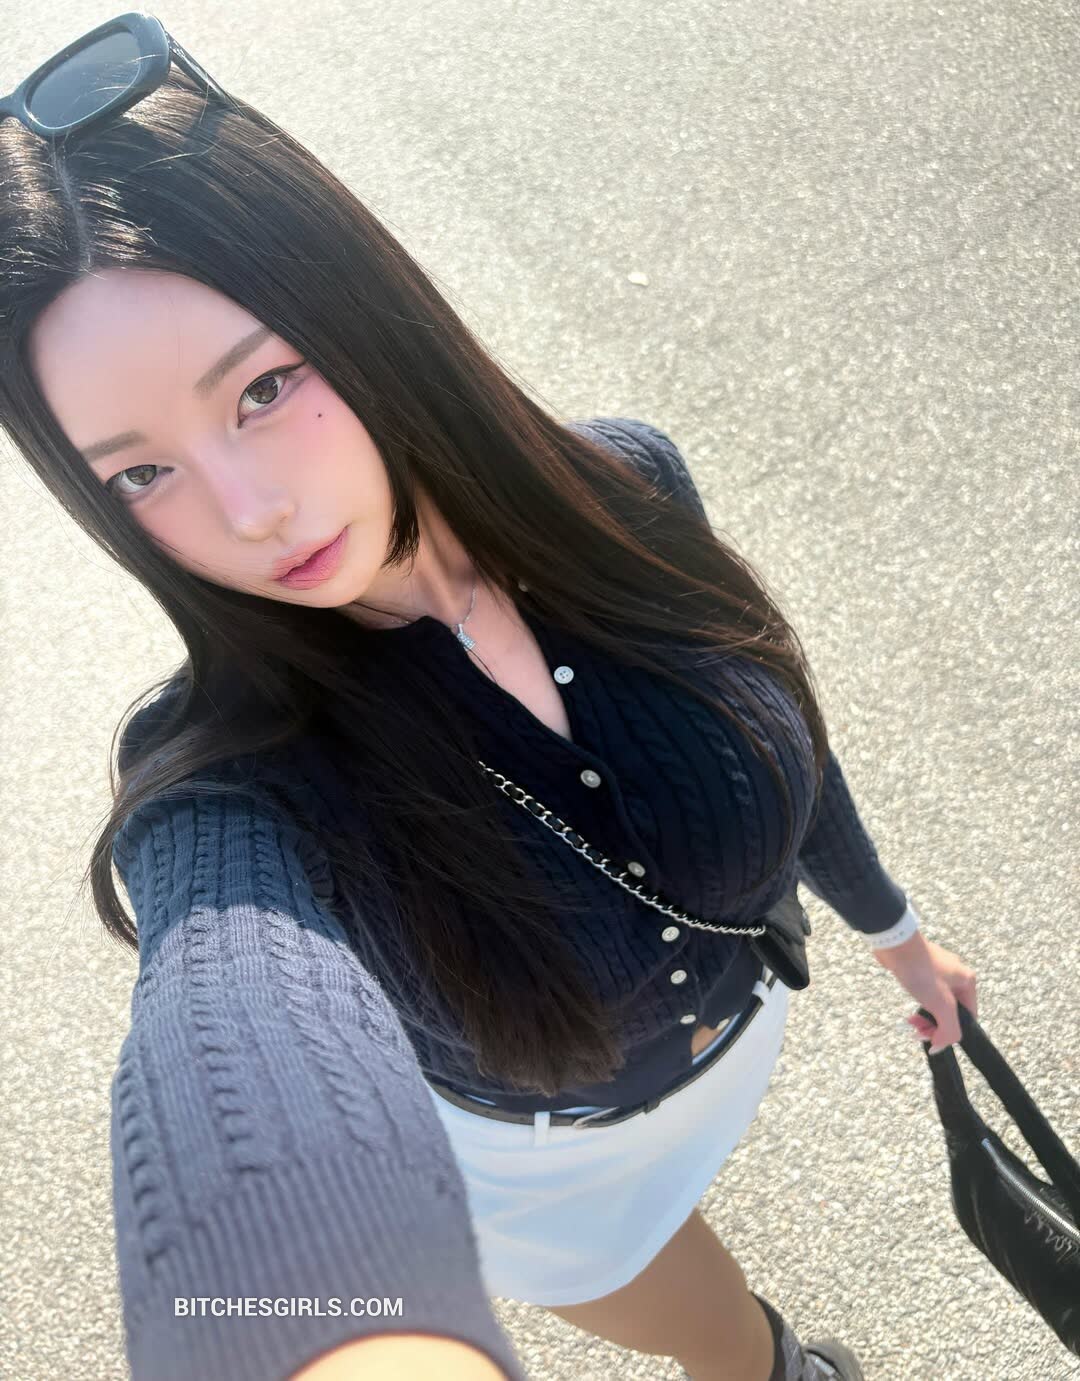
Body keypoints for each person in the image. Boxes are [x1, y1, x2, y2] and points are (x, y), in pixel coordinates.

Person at [0, 17, 979, 1381]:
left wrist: (896, 933)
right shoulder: (228, 777)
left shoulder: (625, 487)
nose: (248, 510)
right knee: (746, 1362)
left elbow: (784, 732)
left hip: (751, 1012)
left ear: (361, 317)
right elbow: (232, 1017)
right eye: (141, 474)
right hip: (562, 1181)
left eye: (264, 388)